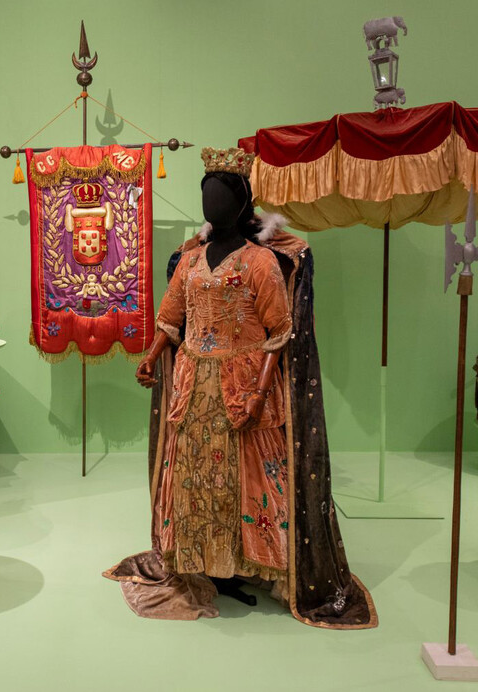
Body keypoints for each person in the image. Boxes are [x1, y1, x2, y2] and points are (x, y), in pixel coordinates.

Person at [104, 147, 376, 629]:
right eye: (206, 195)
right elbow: (171, 319)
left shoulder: (260, 262)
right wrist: (150, 357)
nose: (211, 204)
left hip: (243, 380)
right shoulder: (190, 260)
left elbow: (279, 332)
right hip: (192, 383)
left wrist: (259, 392)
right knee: (194, 475)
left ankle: (246, 561)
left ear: (242, 203)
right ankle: (205, 560)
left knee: (247, 476)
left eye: (221, 196)